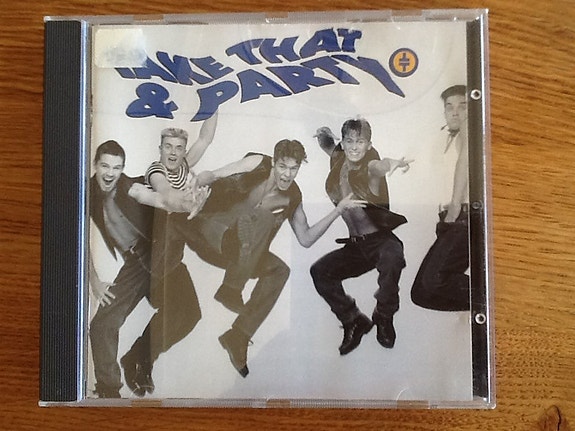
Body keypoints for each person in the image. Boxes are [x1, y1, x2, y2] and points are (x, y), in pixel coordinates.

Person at [169, 139, 366, 377]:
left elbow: (305, 238)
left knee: (279, 270)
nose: (287, 174)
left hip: (241, 255)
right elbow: (217, 174)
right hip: (211, 230)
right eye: (282, 166)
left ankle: (238, 336)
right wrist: (195, 184)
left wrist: (338, 210)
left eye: (293, 169)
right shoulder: (258, 163)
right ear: (273, 162)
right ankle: (231, 289)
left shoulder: (292, 196)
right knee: (262, 217)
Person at [88, 140, 201, 398]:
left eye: (116, 168)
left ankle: (138, 358)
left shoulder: (130, 187)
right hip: (135, 263)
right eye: (105, 166)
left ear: (122, 169)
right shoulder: (86, 194)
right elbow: (77, 239)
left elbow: (160, 199)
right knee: (102, 326)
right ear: (95, 165)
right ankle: (108, 392)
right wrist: (93, 281)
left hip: (158, 253)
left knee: (188, 314)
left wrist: (188, 204)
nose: (110, 173)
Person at [311, 118, 412, 355]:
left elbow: (380, 166)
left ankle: (384, 316)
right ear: (343, 144)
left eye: (360, 142)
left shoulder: (370, 167)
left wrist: (393, 163)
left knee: (393, 256)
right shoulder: (339, 159)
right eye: (349, 141)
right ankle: (354, 320)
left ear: (369, 145)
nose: (355, 147)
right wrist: (324, 135)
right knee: (319, 271)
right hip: (356, 247)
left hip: (380, 242)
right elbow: (329, 147)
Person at [411, 85, 470, 311]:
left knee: (434, 281)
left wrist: (455, 206)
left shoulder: (469, 127)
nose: (455, 112)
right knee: (421, 293)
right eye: (449, 107)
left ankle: (501, 297)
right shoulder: (446, 138)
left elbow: (465, 161)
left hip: (463, 216)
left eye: (462, 106)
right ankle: (486, 304)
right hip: (449, 219)